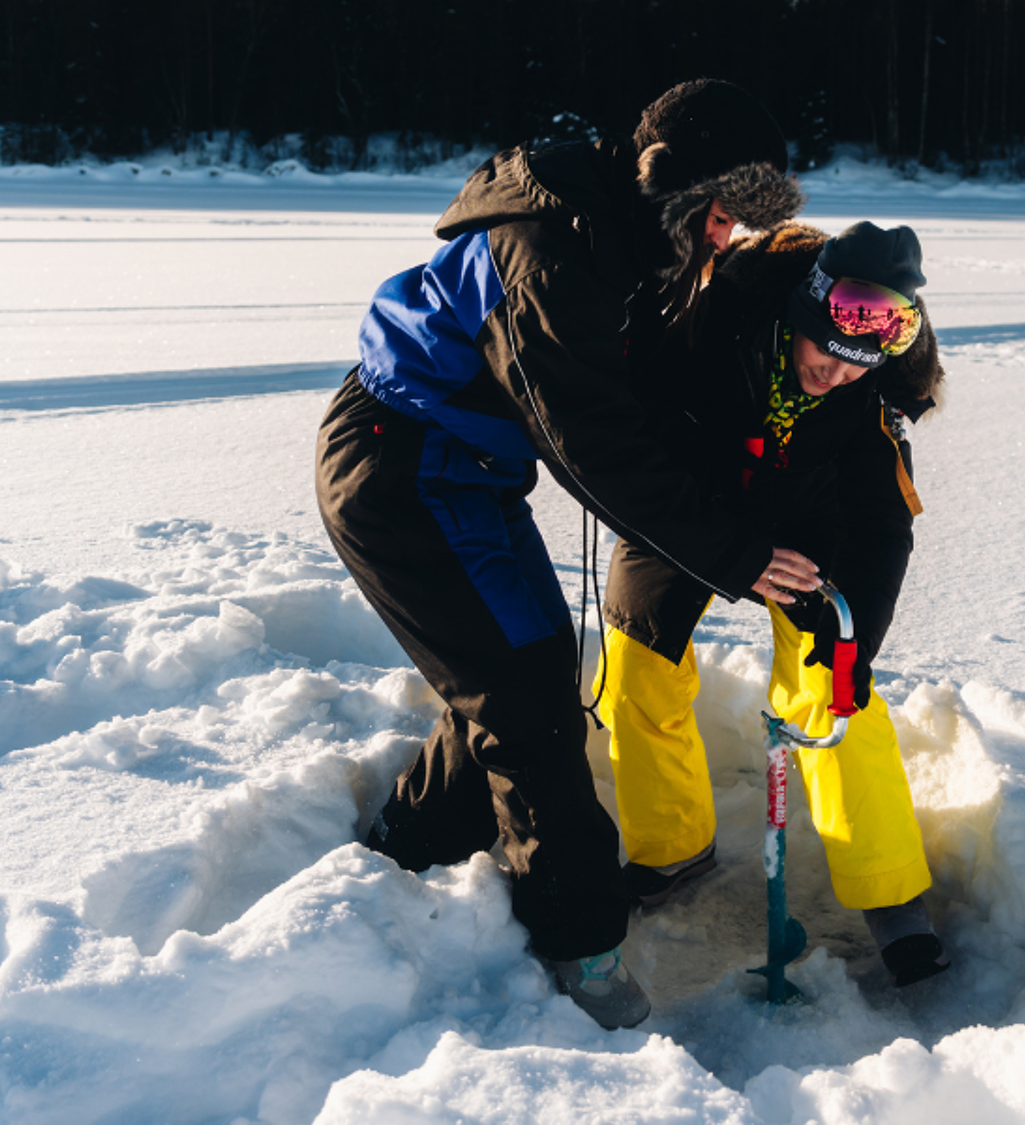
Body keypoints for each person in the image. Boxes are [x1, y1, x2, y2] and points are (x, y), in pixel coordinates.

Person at [315, 79, 817, 1030]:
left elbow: (649, 393)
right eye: (722, 215)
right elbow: (595, 445)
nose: (725, 238)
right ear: (676, 188)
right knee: (528, 707)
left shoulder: (628, 234)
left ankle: (404, 855)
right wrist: (735, 554)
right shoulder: (551, 251)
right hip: (399, 470)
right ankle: (583, 959)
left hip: (460, 472)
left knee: (524, 677)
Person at [595, 221, 952, 985]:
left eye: (858, 368)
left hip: (805, 524)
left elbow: (884, 526)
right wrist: (730, 551)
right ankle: (671, 847)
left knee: (833, 683)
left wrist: (858, 645)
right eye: (826, 355)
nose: (836, 376)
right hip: (689, 513)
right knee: (636, 662)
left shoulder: (869, 395)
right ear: (803, 314)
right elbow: (642, 459)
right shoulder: (706, 329)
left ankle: (890, 892)